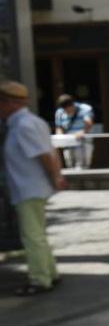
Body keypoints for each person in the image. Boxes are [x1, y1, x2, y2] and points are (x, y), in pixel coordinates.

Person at [1, 81, 65, 295]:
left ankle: (39, 279)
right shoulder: (33, 122)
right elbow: (50, 152)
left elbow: (43, 155)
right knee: (38, 234)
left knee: (32, 236)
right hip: (33, 186)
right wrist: (55, 177)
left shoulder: (22, 126)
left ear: (10, 103)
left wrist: (55, 176)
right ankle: (49, 273)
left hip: (28, 187)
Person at [53, 94, 97, 169]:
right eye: (64, 110)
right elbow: (59, 127)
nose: (66, 111)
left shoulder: (85, 109)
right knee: (69, 163)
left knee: (82, 165)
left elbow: (89, 124)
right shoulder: (59, 112)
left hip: (83, 141)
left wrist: (82, 132)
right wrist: (59, 136)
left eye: (68, 109)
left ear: (72, 104)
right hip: (68, 141)